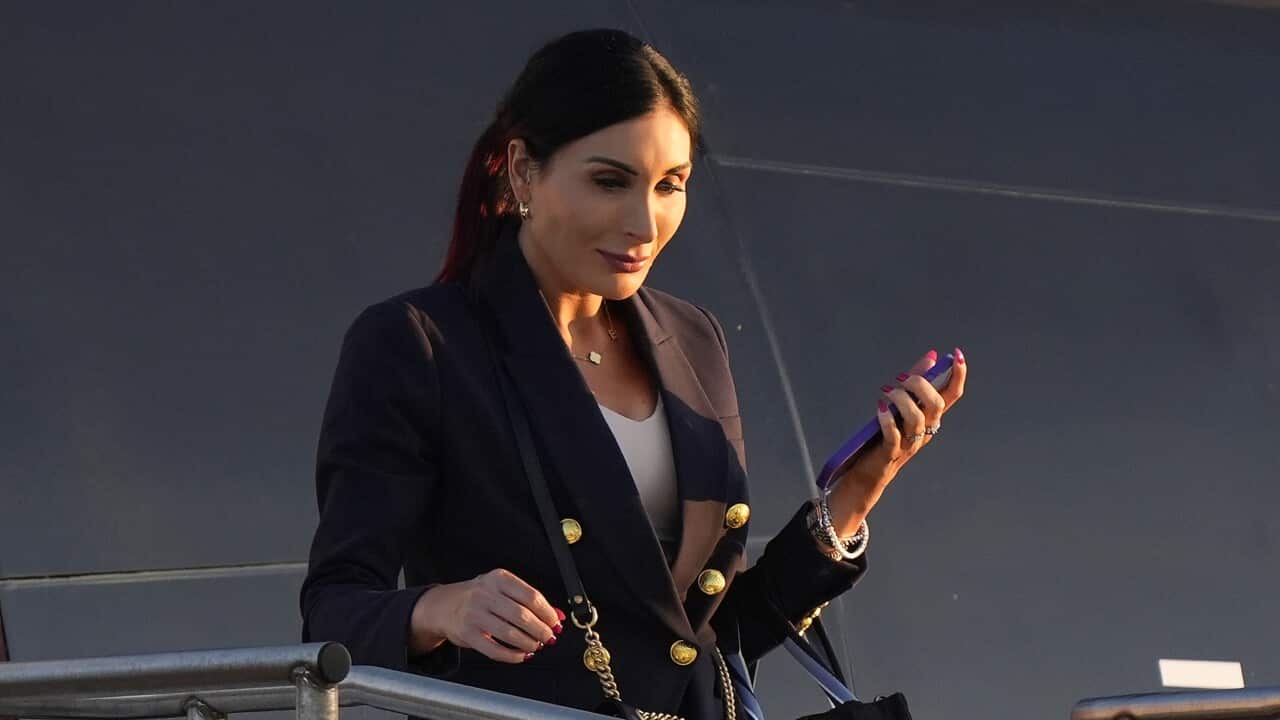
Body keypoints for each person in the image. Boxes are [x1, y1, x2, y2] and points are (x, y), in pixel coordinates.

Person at [299, 27, 968, 720]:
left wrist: (856, 494)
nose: (645, 222)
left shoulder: (692, 337)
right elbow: (334, 612)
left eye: (670, 185)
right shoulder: (421, 344)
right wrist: (443, 607)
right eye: (609, 181)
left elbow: (698, 640)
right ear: (525, 171)